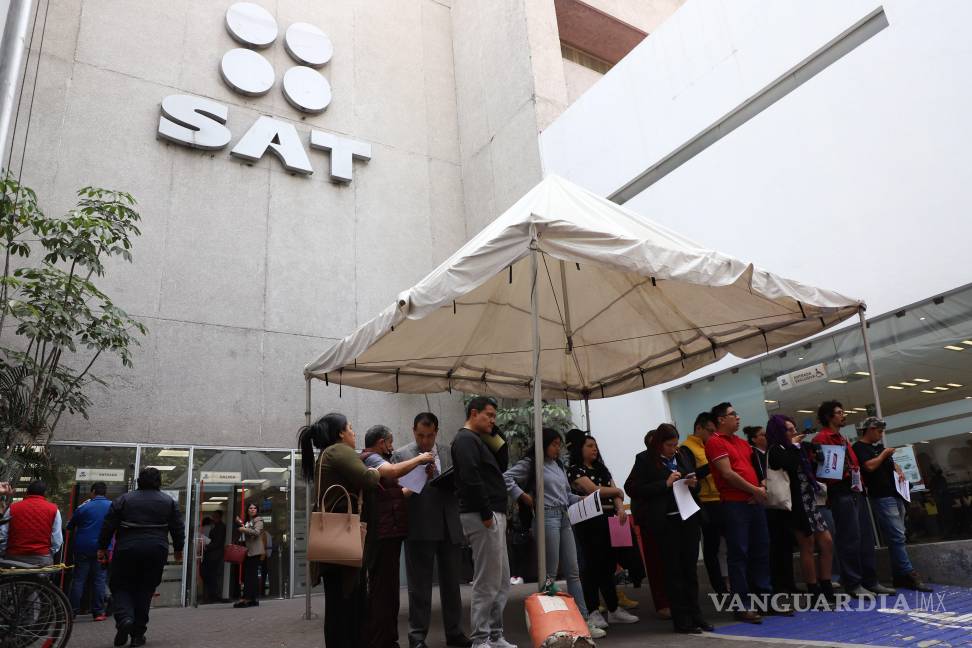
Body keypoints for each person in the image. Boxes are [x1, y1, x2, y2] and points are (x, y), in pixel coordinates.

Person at [504, 428, 606, 639]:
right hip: (546, 517)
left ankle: (584, 620)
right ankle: (550, 625)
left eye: (559, 444)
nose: (557, 448)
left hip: (563, 516)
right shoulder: (532, 463)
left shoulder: (558, 465)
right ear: (543, 444)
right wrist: (523, 496)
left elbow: (566, 494)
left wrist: (584, 500)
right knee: (549, 574)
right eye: (554, 444)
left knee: (573, 570)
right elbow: (506, 478)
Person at [298, 412, 382, 648]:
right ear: (340, 434)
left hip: (331, 540)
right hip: (343, 539)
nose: (354, 433)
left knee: (336, 606)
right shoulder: (338, 450)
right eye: (351, 428)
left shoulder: (326, 454)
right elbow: (367, 478)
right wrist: (377, 471)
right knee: (350, 605)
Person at [392, 412, 471, 648]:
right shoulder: (402, 455)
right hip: (419, 526)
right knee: (419, 587)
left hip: (449, 525)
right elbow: (396, 494)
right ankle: (417, 637)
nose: (425, 441)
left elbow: (462, 485)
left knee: (452, 585)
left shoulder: (448, 452)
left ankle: (455, 633)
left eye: (429, 435)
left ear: (436, 432)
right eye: (420, 435)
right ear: (413, 431)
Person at [626, 424, 712, 634]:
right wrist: (664, 484)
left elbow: (696, 483)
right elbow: (632, 488)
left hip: (688, 518)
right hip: (666, 522)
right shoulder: (645, 459)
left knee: (690, 570)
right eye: (669, 445)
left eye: (675, 444)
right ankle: (682, 620)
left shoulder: (681, 455)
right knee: (673, 572)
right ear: (659, 443)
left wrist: (693, 483)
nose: (673, 448)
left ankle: (696, 615)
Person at [359, 424, 434, 648]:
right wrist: (420, 460)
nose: (392, 447)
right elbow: (392, 473)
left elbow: (399, 492)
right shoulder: (372, 458)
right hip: (382, 533)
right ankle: (381, 641)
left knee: (388, 590)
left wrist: (422, 477)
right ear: (382, 442)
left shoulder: (377, 461)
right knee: (383, 591)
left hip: (389, 532)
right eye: (390, 442)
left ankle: (387, 639)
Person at [451, 396, 516, 648]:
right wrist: (487, 513)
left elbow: (501, 463)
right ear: (473, 413)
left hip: (491, 513)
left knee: (500, 579)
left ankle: (494, 634)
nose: (492, 420)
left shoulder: (478, 439)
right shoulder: (465, 440)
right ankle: (480, 638)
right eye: (488, 415)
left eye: (495, 416)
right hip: (483, 515)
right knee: (487, 580)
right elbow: (470, 478)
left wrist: (493, 429)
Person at [705, 402, 778, 622]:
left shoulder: (741, 442)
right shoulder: (715, 442)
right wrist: (755, 490)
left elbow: (757, 470)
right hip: (734, 505)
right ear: (720, 420)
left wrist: (761, 487)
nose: (737, 417)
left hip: (753, 502)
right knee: (739, 555)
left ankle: (765, 601)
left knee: (761, 550)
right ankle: (742, 605)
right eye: (732, 414)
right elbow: (727, 474)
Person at [814, 401, 895, 597]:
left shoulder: (842, 439)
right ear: (829, 417)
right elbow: (827, 472)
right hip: (841, 491)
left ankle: (870, 580)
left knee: (865, 537)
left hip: (855, 490)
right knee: (850, 538)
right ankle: (853, 583)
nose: (843, 415)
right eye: (839, 413)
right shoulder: (822, 439)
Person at [99, 467, 184, 647]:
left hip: (127, 547)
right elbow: (178, 527)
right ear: (159, 482)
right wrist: (178, 549)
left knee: (120, 585)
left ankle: (124, 619)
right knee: (145, 590)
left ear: (139, 481)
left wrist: (102, 547)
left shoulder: (124, 499)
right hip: (156, 548)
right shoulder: (168, 501)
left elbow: (108, 525)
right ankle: (138, 635)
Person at [568, 434, 639, 630]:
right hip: (588, 520)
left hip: (609, 519)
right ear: (579, 449)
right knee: (591, 567)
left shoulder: (601, 468)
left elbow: (615, 490)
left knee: (608, 565)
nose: (594, 449)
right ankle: (592, 610)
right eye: (590, 446)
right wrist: (615, 493)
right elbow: (592, 490)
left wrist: (620, 507)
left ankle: (614, 608)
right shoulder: (575, 470)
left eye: (596, 446)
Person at [852, 417, 932, 592]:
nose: (881, 435)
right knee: (897, 535)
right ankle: (908, 573)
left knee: (899, 535)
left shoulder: (879, 448)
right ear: (870, 429)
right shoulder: (859, 448)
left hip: (894, 493)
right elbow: (869, 467)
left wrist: (898, 469)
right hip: (881, 496)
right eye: (879, 431)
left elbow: (888, 463)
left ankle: (899, 575)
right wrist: (884, 455)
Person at [765, 415, 836, 602]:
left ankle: (826, 584)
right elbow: (788, 463)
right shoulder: (775, 450)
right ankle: (814, 591)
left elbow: (812, 464)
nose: (793, 432)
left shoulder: (798, 448)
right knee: (807, 544)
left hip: (810, 501)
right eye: (789, 429)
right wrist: (794, 447)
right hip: (795, 505)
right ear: (779, 431)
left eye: (794, 428)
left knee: (827, 541)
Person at [680, 412, 727, 594]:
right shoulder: (686, 448)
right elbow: (690, 477)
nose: (712, 434)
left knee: (728, 546)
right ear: (698, 428)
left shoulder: (712, 444)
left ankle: (730, 583)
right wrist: (711, 467)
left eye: (714, 431)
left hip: (721, 498)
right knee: (712, 547)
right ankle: (719, 587)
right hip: (706, 502)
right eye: (709, 430)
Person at [67, 482, 112, 620]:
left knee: (79, 580)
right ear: (105, 493)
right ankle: (98, 612)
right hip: (103, 548)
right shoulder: (113, 506)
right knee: (99, 580)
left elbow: (70, 525)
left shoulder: (84, 507)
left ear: (93, 492)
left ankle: (72, 611)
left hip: (83, 547)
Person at [0, 480, 62, 567]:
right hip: (42, 559)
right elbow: (57, 540)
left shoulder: (12, 508)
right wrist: (48, 553)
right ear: (45, 493)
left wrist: (3, 552)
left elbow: (3, 534)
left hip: (13, 558)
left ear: (27, 492)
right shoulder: (54, 510)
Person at [233, 503, 264, 608]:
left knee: (250, 576)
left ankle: (247, 599)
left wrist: (243, 529)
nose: (252, 509)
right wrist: (241, 525)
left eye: (255, 508)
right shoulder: (248, 521)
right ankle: (253, 599)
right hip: (248, 551)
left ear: (257, 510)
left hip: (254, 552)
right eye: (250, 508)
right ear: (247, 510)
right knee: (250, 575)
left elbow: (256, 532)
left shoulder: (258, 520)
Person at [201, 510, 227, 603]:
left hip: (216, 555)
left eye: (215, 516)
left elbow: (218, 542)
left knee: (214, 576)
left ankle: (214, 596)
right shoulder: (215, 526)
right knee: (211, 575)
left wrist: (207, 546)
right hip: (213, 554)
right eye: (213, 516)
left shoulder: (221, 527)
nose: (213, 518)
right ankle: (211, 595)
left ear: (219, 517)